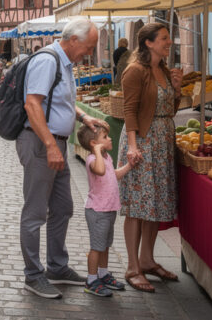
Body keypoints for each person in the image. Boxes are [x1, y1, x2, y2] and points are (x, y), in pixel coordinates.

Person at [18, 17, 106, 299]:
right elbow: (32, 104)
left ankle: (57, 266)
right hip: (41, 143)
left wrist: (81, 115)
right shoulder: (47, 61)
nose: (89, 54)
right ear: (73, 41)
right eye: (89, 47)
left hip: (56, 144)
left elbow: (59, 100)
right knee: (35, 212)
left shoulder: (65, 63)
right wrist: (50, 145)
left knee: (63, 207)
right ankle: (33, 274)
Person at [118, 22, 183, 293]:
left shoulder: (164, 70)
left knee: (153, 204)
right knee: (137, 205)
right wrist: (133, 147)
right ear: (149, 42)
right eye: (165, 38)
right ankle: (133, 266)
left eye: (169, 38)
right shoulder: (135, 71)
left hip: (163, 141)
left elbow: (170, 109)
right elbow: (129, 110)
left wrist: (177, 89)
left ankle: (147, 259)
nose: (170, 42)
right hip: (142, 141)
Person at [76, 125, 135, 297]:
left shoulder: (106, 157)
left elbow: (113, 175)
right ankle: (91, 280)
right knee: (96, 247)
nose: (110, 139)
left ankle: (103, 274)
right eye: (105, 137)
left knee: (105, 245)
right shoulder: (92, 160)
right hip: (97, 211)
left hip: (109, 209)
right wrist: (96, 150)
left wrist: (129, 166)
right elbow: (101, 172)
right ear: (94, 143)